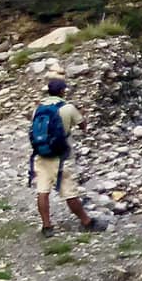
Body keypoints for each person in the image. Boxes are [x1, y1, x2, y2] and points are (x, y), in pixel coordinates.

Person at [29, 76, 97, 235]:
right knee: (69, 192)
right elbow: (83, 126)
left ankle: (47, 226)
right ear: (62, 91)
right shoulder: (68, 108)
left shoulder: (38, 109)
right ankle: (86, 222)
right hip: (61, 157)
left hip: (41, 155)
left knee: (42, 191)